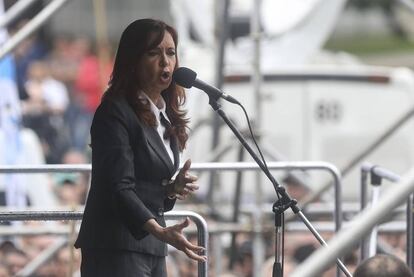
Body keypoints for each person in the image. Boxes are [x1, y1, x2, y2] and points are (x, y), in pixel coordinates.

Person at [74, 18, 206, 276]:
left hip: (153, 246)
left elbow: (148, 190)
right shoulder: (115, 112)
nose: (165, 61)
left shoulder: (164, 115)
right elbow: (118, 187)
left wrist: (170, 190)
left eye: (170, 53)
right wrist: (160, 230)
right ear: (133, 61)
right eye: (153, 53)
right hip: (116, 246)